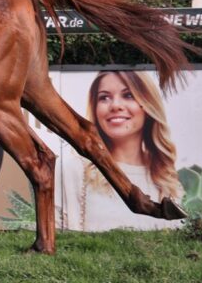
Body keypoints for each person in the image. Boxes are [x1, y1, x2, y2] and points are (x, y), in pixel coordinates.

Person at [55, 70, 184, 231]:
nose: (115, 106)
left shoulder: (166, 176)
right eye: (104, 97)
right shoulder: (74, 169)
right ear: (95, 108)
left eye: (128, 95)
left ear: (148, 104)